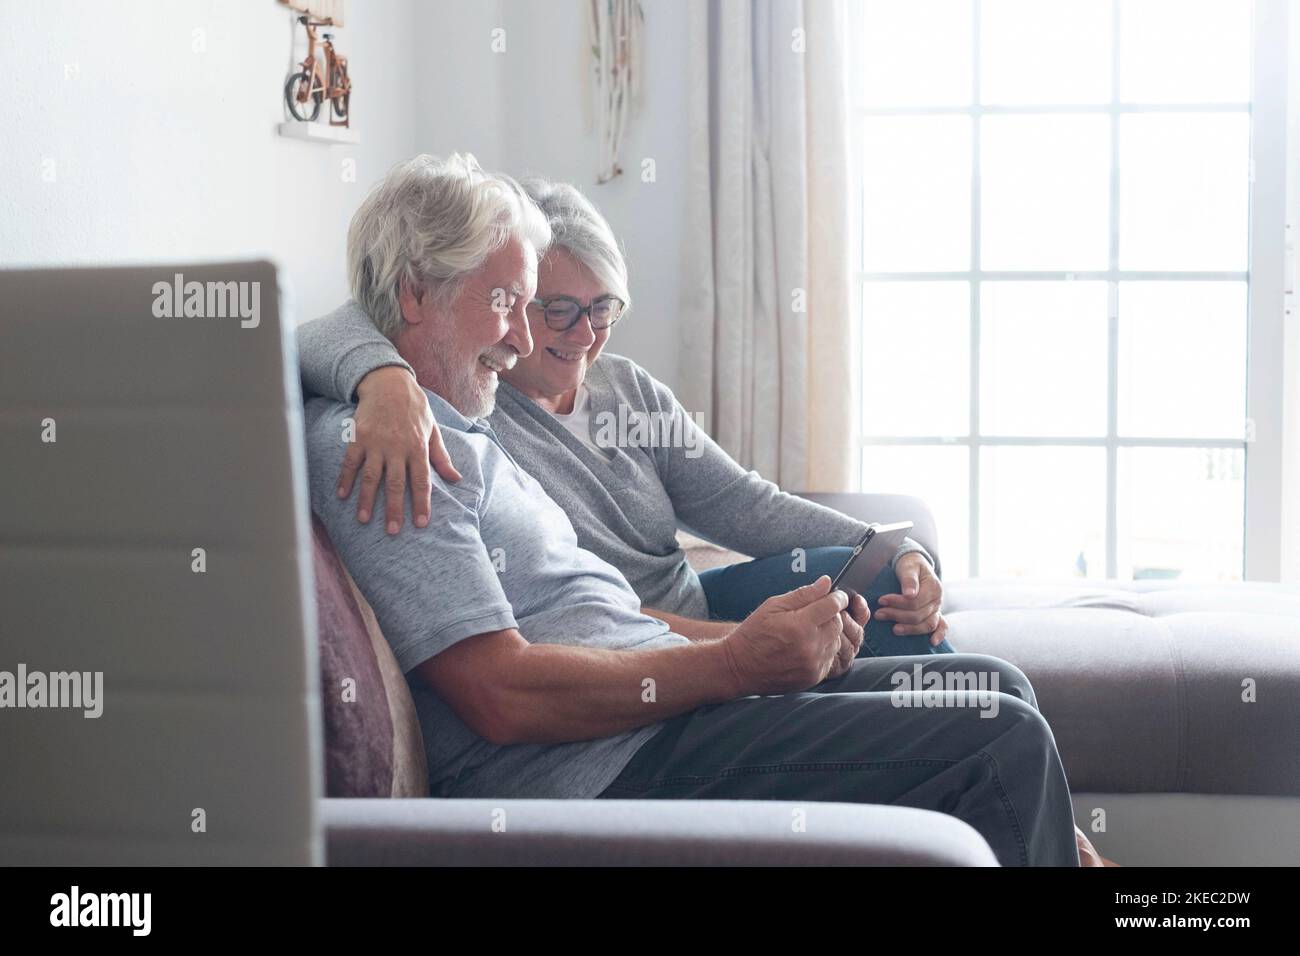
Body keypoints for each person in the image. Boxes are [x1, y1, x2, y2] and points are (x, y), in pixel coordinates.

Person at [302, 152, 1104, 865]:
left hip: (656, 709)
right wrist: (734, 664)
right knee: (999, 738)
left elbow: (701, 535)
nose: (521, 339)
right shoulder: (389, 450)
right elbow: (500, 695)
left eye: (551, 306)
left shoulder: (455, 421)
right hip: (606, 772)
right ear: (415, 292)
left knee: (986, 685)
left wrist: (755, 644)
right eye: (513, 300)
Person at [297, 175, 953, 658]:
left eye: (602, 308)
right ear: (516, 300)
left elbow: (746, 505)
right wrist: (381, 378)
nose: (583, 334)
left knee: (879, 589)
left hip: (696, 611)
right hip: (630, 643)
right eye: (556, 309)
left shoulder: (627, 391)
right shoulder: (472, 410)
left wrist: (894, 548)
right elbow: (315, 334)